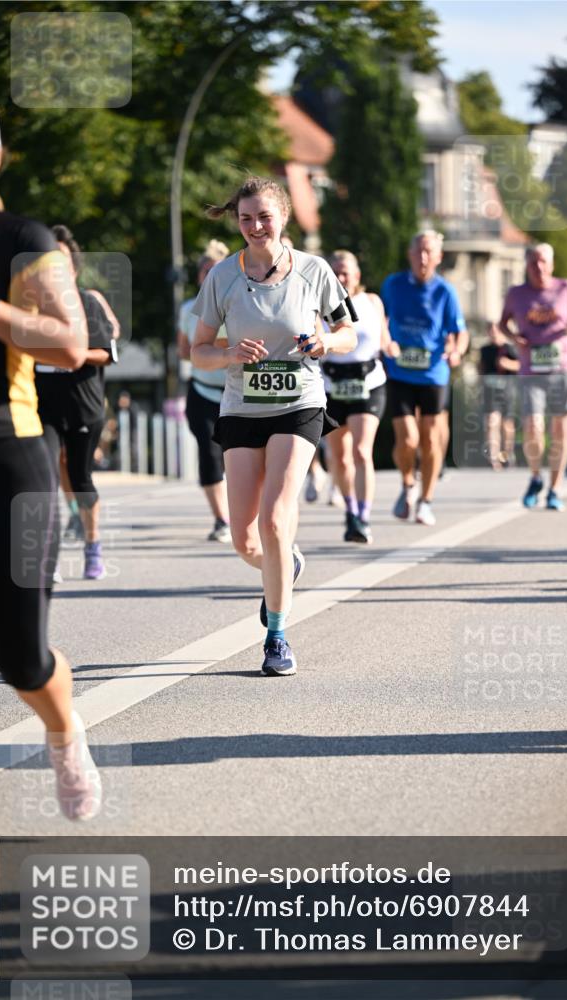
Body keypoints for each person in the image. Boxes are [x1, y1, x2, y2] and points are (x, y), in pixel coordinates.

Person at [0, 99, 101, 821]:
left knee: (21, 657)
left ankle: (63, 730)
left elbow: (68, 342)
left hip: (6, 453)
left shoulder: (21, 240)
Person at [191, 175, 355, 675]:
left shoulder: (314, 270)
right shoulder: (221, 276)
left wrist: (325, 344)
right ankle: (283, 567)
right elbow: (197, 352)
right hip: (242, 407)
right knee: (246, 539)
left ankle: (277, 635)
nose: (255, 226)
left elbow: (348, 332)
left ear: (283, 217)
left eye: (264, 216)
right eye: (245, 218)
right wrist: (228, 352)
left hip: (299, 403)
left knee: (276, 520)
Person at [36, 224, 120, 580]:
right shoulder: (30, 304)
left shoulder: (87, 302)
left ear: (73, 266)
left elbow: (106, 353)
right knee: (42, 479)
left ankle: (92, 546)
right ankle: (48, 555)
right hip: (42, 406)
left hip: (84, 406)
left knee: (80, 478)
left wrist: (70, 354)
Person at [381, 230, 468, 526]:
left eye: (429, 252)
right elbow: (382, 319)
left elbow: (460, 332)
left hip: (433, 372)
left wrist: (456, 350)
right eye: (418, 251)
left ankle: (426, 501)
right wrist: (386, 341)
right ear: (410, 254)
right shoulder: (393, 285)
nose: (423, 257)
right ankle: (408, 484)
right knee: (407, 438)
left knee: (430, 439)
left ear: (438, 257)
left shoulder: (445, 291)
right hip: (400, 371)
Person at [323, 250, 399, 543]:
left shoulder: (372, 302)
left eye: (346, 272)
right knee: (339, 458)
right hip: (331, 384)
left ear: (357, 276)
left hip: (368, 381)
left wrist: (393, 349)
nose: (341, 278)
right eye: (336, 272)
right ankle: (351, 511)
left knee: (361, 451)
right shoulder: (320, 306)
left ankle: (364, 516)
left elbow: (384, 338)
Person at [500, 244, 567, 511]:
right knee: (532, 427)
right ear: (526, 265)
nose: (538, 267)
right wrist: (513, 338)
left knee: (559, 430)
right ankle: (535, 477)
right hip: (531, 370)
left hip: (561, 367)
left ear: (551, 264)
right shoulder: (516, 294)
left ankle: (555, 488)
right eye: (533, 262)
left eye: (543, 261)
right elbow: (502, 324)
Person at [177, 239, 232, 542]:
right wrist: (209, 350)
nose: (209, 277)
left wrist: (220, 350)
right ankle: (221, 519)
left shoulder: (239, 300)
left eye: (215, 271)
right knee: (209, 455)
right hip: (202, 390)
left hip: (237, 392)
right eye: (205, 272)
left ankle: (244, 514)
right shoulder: (188, 308)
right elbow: (184, 350)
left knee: (239, 457)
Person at [479, 321, 519, 469]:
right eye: (491, 330)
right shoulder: (485, 350)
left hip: (507, 391)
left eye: (496, 330)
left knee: (507, 424)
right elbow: (481, 369)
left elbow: (521, 366)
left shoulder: (510, 349)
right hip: (490, 391)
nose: (494, 333)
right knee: (491, 421)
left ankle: (507, 454)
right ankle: (493, 457)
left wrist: (507, 363)